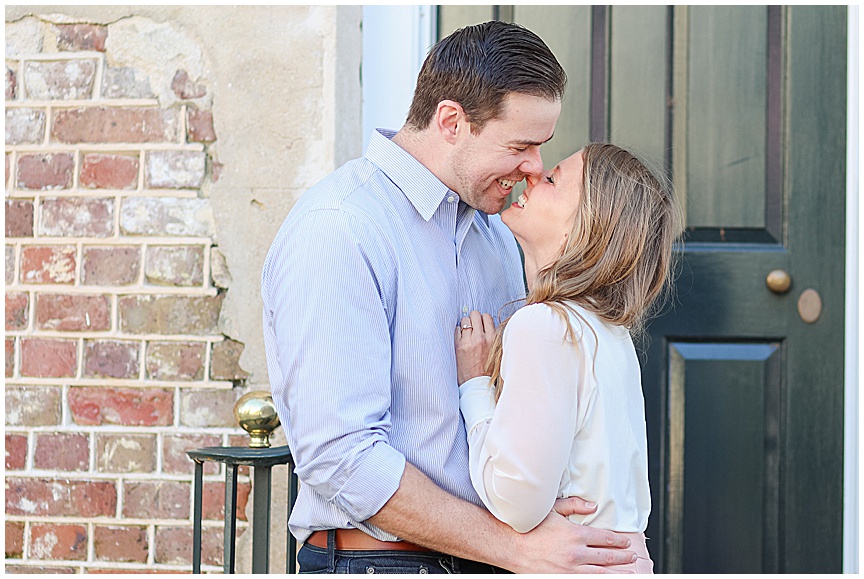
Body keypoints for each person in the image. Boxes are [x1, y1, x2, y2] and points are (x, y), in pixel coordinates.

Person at [262, 21, 639, 573]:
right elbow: (342, 458)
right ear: (451, 122)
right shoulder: (340, 228)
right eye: (520, 145)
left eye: (541, 148)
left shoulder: (496, 233)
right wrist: (512, 547)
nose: (534, 167)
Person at [455, 144, 681, 574]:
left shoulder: (543, 327)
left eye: (554, 179)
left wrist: (475, 389)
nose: (534, 174)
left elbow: (516, 501)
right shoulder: (609, 335)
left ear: (584, 229)